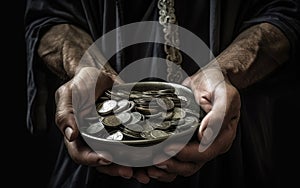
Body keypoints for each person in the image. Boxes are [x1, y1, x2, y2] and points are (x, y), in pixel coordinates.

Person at [24, 0, 300, 187]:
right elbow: (49, 14)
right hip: (93, 162)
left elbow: (288, 11)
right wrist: (86, 66)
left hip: (235, 142)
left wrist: (225, 72)